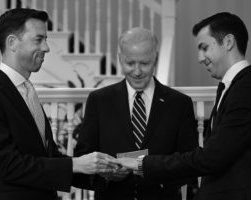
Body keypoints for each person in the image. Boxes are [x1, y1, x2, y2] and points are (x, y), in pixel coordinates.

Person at [118, 12, 251, 200]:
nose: (200, 57)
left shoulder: (250, 90)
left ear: (229, 42)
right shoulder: (234, 87)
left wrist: (142, 163)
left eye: (204, 47)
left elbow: (212, 158)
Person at [0, 8, 116, 200]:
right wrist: (75, 164)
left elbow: (47, 159)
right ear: (12, 43)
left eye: (46, 39)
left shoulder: (27, 90)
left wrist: (102, 173)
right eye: (38, 39)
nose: (47, 48)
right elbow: (6, 165)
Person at [72, 27, 198, 200]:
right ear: (120, 59)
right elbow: (82, 159)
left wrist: (155, 173)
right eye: (130, 63)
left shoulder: (179, 103)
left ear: (155, 59)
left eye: (144, 63)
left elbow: (190, 162)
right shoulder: (99, 100)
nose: (137, 71)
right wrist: (105, 176)